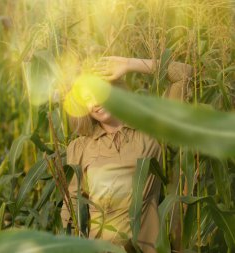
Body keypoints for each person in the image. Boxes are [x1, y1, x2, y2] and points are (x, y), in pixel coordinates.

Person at [61, 56, 193, 253]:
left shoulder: (150, 130)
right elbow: (70, 211)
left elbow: (185, 74)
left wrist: (129, 64)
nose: (95, 102)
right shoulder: (80, 148)